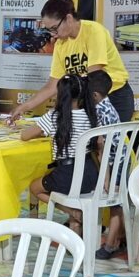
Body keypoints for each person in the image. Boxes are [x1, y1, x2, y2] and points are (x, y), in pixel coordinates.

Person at [8, 0, 133, 125]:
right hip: (86, 98)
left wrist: (67, 106)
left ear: (68, 18)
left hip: (114, 97)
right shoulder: (60, 44)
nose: (53, 34)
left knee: (107, 139)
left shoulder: (93, 31)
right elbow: (52, 85)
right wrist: (23, 107)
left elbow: (94, 78)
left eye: (54, 28)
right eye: (49, 30)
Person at [20, 74, 101, 234]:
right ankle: (76, 230)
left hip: (67, 176)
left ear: (61, 94)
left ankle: (72, 212)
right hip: (91, 176)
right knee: (68, 189)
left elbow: (25, 136)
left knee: (34, 187)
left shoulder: (55, 116)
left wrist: (42, 131)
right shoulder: (91, 115)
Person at [86, 69, 127, 259]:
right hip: (120, 159)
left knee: (114, 202)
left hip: (115, 162)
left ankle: (110, 245)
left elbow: (102, 148)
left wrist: (106, 178)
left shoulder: (100, 112)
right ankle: (122, 237)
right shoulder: (107, 105)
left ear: (94, 95)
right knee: (117, 201)